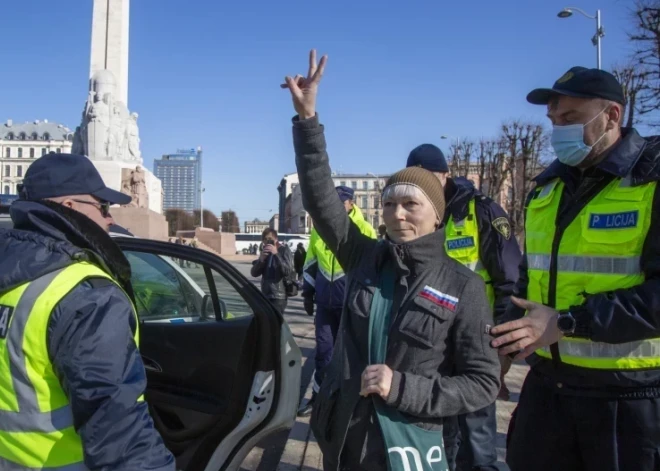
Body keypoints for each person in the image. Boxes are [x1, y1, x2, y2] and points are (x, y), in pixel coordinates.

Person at [283, 49, 499, 471]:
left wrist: (402, 387)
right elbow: (322, 199)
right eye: (389, 204)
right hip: (348, 438)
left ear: (436, 214)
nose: (397, 215)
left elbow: (482, 382)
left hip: (413, 442)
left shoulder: (463, 286)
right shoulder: (365, 256)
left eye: (410, 205)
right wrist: (308, 123)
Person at [490, 67, 660, 471]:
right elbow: (530, 285)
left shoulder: (650, 182)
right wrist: (503, 351)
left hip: (627, 401)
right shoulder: (546, 189)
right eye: (553, 121)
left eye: (570, 119)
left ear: (612, 115)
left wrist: (568, 322)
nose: (558, 131)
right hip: (549, 391)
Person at [0, 153, 175, 470]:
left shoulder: (12, 273)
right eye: (103, 207)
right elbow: (118, 429)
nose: (110, 219)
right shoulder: (86, 293)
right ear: (69, 207)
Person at [407, 144, 521, 471]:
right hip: (431, 343)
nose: (422, 187)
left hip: (477, 342)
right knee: (437, 436)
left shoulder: (480, 211)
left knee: (477, 438)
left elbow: (509, 282)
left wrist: (502, 352)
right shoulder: (416, 216)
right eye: (413, 180)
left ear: (445, 175)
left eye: (428, 178)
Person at [297, 186, 377, 417]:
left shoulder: (365, 229)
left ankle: (350, 405)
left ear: (351, 203)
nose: (336, 207)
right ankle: (319, 400)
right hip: (325, 304)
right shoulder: (319, 229)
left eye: (341, 202)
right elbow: (311, 263)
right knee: (323, 353)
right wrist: (307, 294)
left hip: (351, 306)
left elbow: (370, 271)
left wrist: (366, 303)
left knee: (352, 357)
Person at [251, 228, 294, 314]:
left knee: (276, 324)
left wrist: (276, 254)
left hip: (278, 296)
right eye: (265, 239)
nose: (267, 241)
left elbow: (287, 270)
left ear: (276, 239)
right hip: (265, 294)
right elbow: (254, 273)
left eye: (270, 239)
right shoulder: (265, 252)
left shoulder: (283, 250)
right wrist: (261, 260)